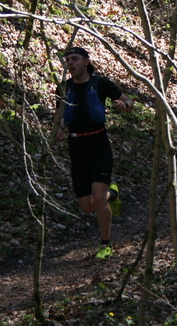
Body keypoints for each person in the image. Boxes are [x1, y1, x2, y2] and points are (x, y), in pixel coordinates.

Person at [54, 47, 134, 260]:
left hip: (99, 143)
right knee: (87, 206)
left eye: (75, 59)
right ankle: (113, 193)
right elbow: (60, 116)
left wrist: (124, 105)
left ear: (86, 62)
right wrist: (60, 129)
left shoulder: (101, 84)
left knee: (98, 198)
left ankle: (106, 244)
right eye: (68, 60)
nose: (70, 63)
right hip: (76, 147)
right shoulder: (63, 88)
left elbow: (129, 102)